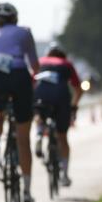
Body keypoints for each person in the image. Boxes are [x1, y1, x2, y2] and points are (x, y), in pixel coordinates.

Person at [0, 2, 39, 202]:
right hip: (18, 76)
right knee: (23, 139)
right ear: (15, 18)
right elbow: (34, 64)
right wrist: (35, 80)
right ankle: (26, 191)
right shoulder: (24, 32)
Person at [33, 42, 83, 187]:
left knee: (39, 112)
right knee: (62, 137)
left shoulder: (40, 62)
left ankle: (39, 132)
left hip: (41, 94)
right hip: (60, 96)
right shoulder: (66, 64)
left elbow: (31, 82)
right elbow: (78, 89)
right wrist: (73, 107)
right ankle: (65, 176)